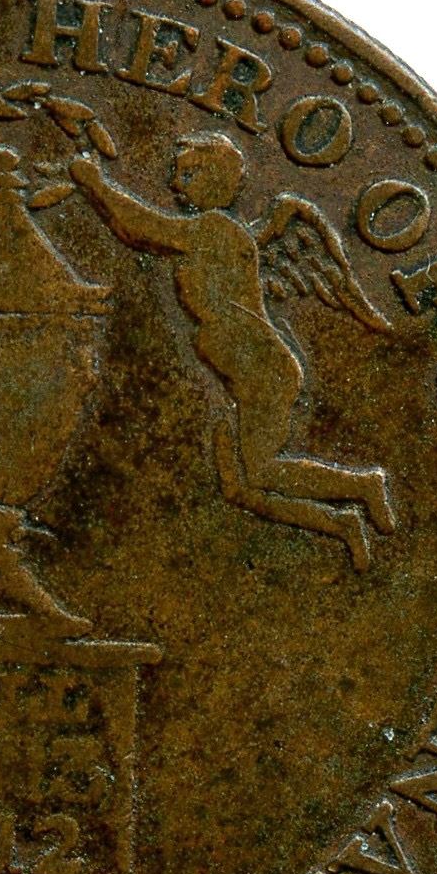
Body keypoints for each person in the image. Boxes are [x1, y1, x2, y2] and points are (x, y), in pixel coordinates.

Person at [69, 133, 394, 569]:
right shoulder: (231, 233)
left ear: (215, 180)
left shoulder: (213, 229)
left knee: (263, 470)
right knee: (238, 489)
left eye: (188, 174)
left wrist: (95, 182)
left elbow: (140, 228)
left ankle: (363, 485)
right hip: (239, 378)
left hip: (261, 370)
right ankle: (342, 525)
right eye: (177, 174)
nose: (175, 184)